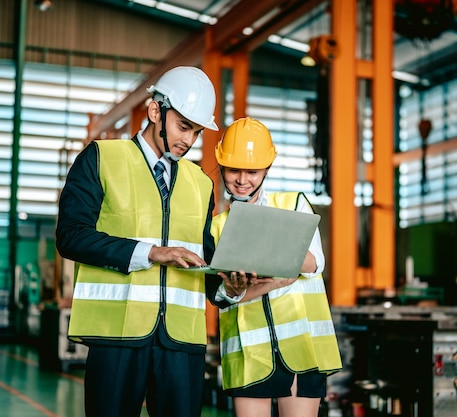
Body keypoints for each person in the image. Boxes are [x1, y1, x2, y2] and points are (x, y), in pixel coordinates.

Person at [55, 66, 219, 417]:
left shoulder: (201, 184)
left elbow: (206, 259)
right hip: (117, 335)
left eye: (197, 131)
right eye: (183, 127)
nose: (189, 141)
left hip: (181, 341)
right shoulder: (101, 159)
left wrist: (229, 286)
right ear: (155, 111)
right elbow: (71, 237)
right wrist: (151, 253)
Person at [206, 117, 343, 417]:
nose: (242, 179)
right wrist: (270, 280)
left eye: (252, 171)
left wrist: (268, 241)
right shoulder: (215, 228)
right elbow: (221, 296)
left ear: (267, 169)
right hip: (248, 353)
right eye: (233, 170)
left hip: (302, 351)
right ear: (221, 166)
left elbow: (314, 263)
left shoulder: (293, 205)